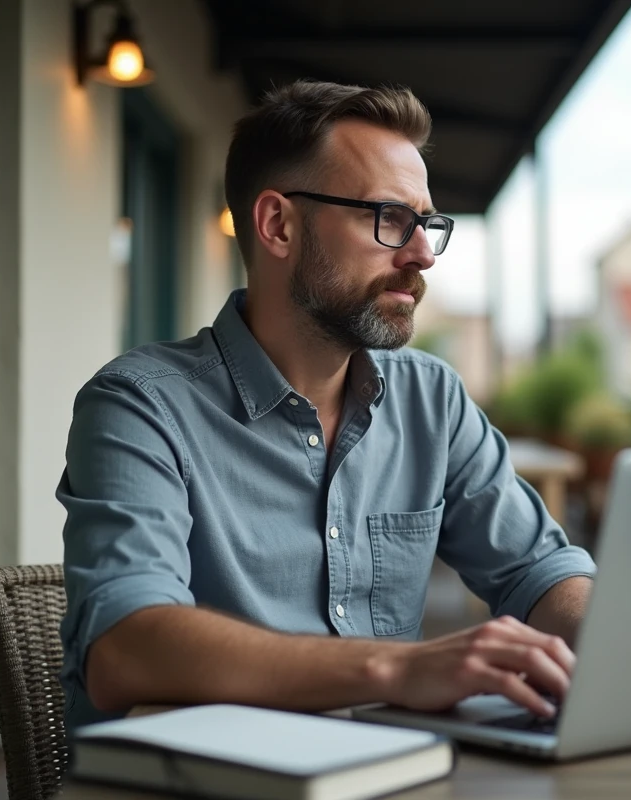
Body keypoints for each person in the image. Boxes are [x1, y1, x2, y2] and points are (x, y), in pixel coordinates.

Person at [57, 79, 596, 732]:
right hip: (207, 770)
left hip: (391, 763)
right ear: (279, 225)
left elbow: (538, 569)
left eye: (427, 224)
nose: (423, 254)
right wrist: (397, 668)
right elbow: (124, 646)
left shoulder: (432, 400)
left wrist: (610, 639)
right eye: (389, 218)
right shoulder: (140, 406)